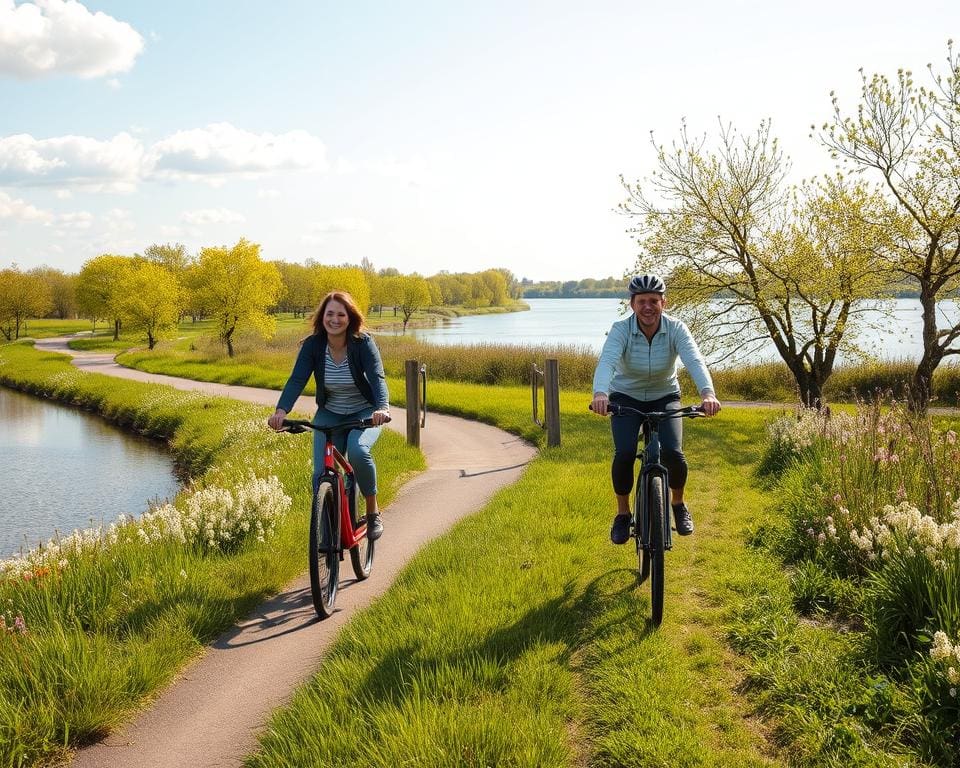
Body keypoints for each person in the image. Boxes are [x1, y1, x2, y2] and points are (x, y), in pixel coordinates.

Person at [590, 274, 721, 544]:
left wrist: (708, 393)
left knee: (673, 452)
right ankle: (623, 514)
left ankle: (678, 504)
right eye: (641, 302)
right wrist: (601, 393)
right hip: (626, 396)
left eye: (653, 301)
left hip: (665, 395)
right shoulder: (621, 329)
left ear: (664, 302)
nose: (647, 307)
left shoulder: (676, 328)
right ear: (632, 304)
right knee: (625, 453)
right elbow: (608, 361)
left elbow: (694, 360)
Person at [267, 291, 391, 540]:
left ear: (350, 318)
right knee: (320, 473)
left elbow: (377, 377)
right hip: (330, 413)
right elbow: (297, 380)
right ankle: (326, 529)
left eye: (341, 314)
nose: (335, 319)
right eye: (330, 313)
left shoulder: (362, 343)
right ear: (322, 316)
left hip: (365, 411)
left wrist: (382, 408)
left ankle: (372, 511)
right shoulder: (314, 345)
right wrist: (281, 411)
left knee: (358, 452)